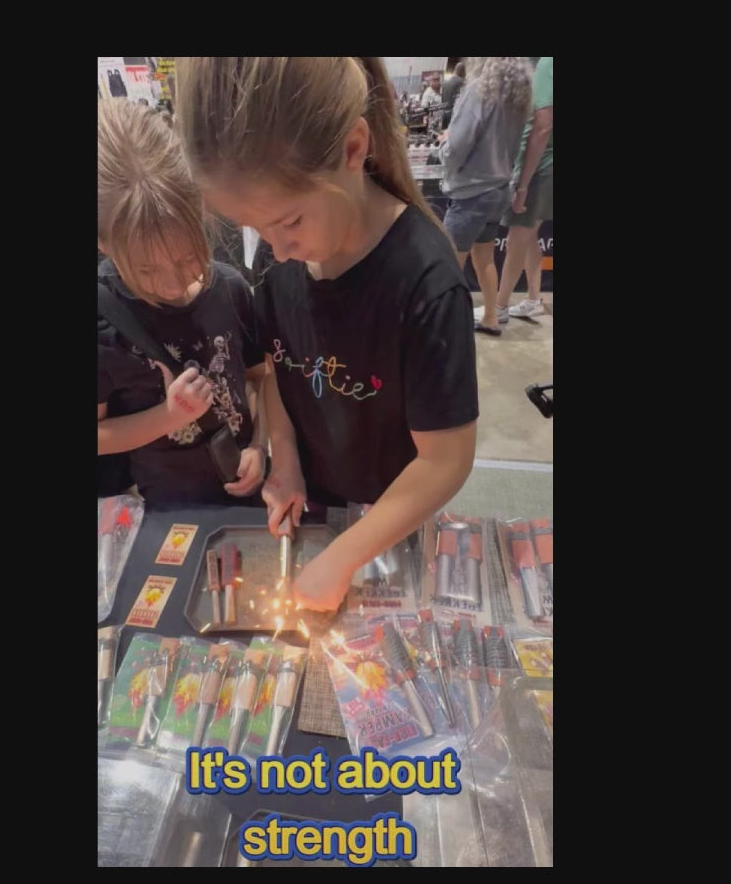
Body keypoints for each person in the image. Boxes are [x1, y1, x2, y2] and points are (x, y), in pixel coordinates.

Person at [176, 57, 478, 614]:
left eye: (290, 222)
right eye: (256, 229)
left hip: (391, 520)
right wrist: (285, 456)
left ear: (353, 149)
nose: (278, 248)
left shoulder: (425, 284)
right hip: (317, 504)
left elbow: (445, 461)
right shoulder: (279, 260)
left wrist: (345, 558)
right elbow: (279, 369)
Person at [96, 98, 270, 506]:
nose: (174, 285)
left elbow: (261, 379)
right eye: (147, 270)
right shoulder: (104, 319)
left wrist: (259, 445)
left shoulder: (230, 288)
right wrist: (170, 417)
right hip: (170, 505)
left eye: (188, 256)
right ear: (104, 244)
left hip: (250, 487)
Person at [436, 58, 534, 336]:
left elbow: (457, 147)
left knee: (446, 264)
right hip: (498, 190)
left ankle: (445, 330)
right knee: (484, 258)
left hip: (472, 192)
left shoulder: (480, 89)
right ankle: (491, 317)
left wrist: (444, 146)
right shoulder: (516, 95)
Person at [499, 56, 553, 319]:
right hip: (543, 165)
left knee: (517, 238)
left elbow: (542, 126)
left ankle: (498, 307)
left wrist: (522, 186)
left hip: (541, 167)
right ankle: (533, 298)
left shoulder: (546, 65)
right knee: (529, 235)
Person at [440, 62, 466, 130]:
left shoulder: (445, 82)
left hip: (444, 113)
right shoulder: (461, 82)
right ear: (462, 71)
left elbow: (442, 97)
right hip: (454, 114)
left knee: (445, 133)